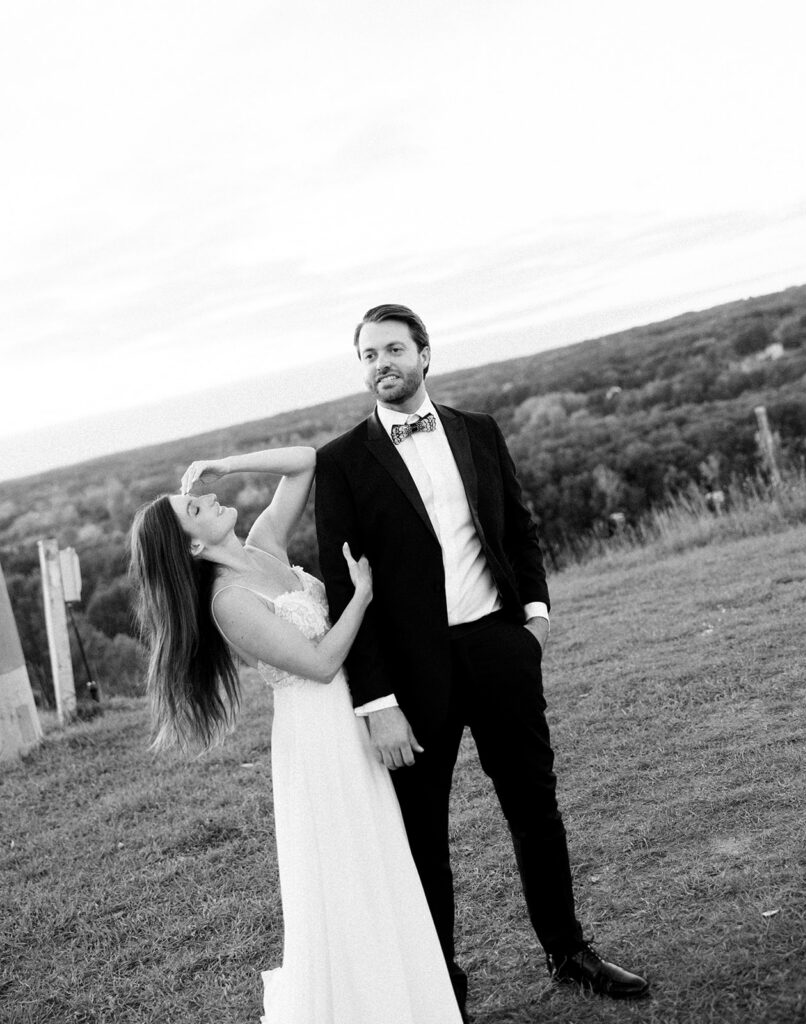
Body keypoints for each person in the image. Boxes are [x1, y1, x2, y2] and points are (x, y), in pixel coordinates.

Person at [315, 304, 650, 1021]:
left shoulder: (479, 431)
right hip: (410, 680)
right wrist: (376, 704)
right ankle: (441, 990)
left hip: (498, 649)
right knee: (422, 842)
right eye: (368, 354)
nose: (382, 364)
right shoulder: (339, 463)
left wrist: (532, 619)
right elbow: (346, 590)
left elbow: (519, 528)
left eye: (394, 349)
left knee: (534, 807)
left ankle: (569, 953)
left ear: (425, 355)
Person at [129, 446, 463, 1024]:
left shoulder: (263, 544)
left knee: (382, 859)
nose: (209, 498)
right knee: (348, 872)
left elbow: (306, 462)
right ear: (192, 545)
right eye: (195, 506)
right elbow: (321, 663)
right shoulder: (229, 602)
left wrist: (227, 464)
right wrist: (360, 595)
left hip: (348, 721)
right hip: (318, 740)